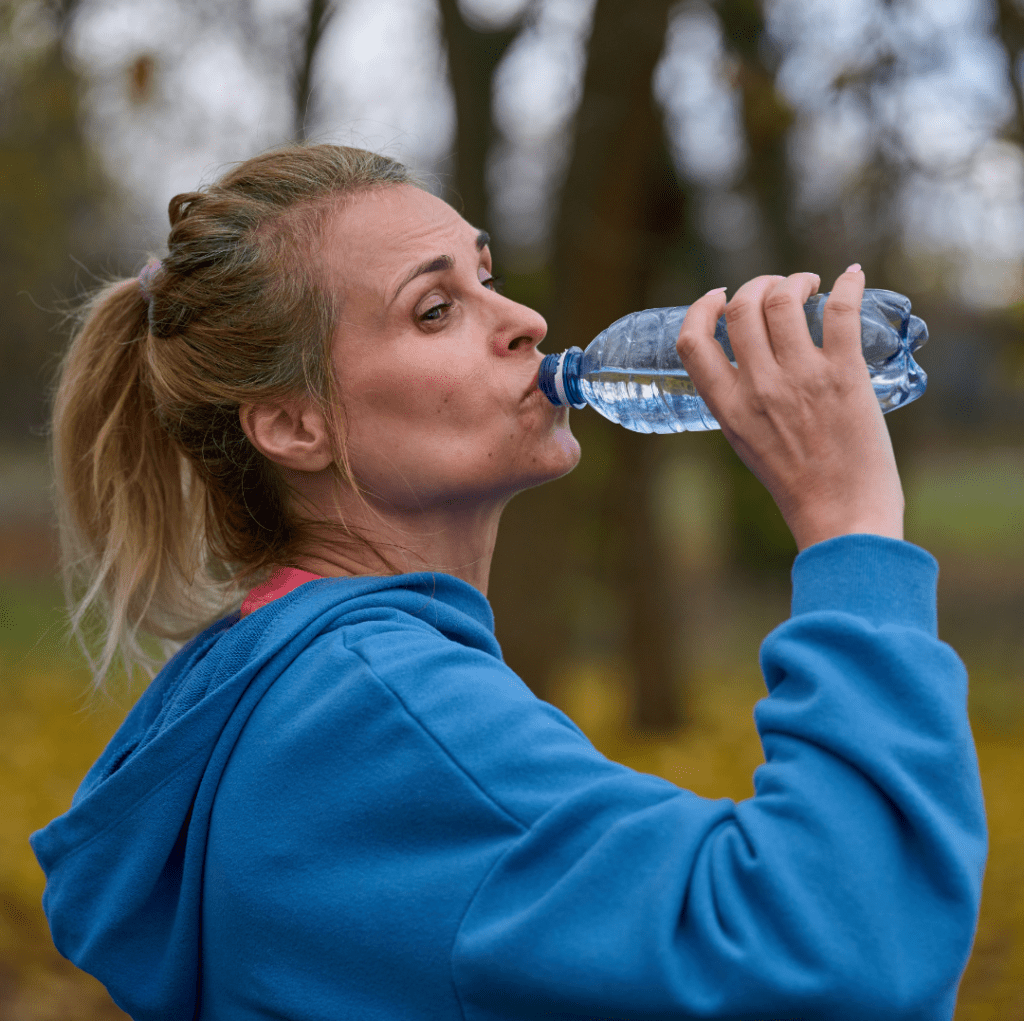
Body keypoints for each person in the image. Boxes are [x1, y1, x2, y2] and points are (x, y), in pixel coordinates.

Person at [30, 143, 985, 1021]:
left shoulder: (284, 680)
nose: (526, 320)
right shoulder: (383, 711)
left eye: (486, 277)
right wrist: (851, 526)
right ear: (294, 425)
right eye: (435, 309)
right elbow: (854, 953)